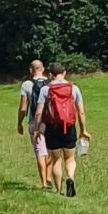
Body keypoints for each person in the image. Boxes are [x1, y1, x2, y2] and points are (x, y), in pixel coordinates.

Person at [35, 63, 91, 197]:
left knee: (55, 160)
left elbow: (38, 113)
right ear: (64, 72)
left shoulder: (45, 90)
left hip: (52, 128)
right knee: (70, 158)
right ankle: (70, 178)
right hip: (69, 127)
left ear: (50, 74)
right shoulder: (74, 88)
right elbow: (81, 112)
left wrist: (37, 130)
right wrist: (84, 130)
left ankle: (59, 190)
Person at [17, 59, 52, 190]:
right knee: (50, 151)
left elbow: (23, 108)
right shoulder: (51, 83)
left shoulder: (26, 85)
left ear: (31, 70)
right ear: (43, 69)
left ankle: (43, 183)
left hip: (34, 122)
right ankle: (48, 178)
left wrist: (19, 123)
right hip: (50, 122)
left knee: (40, 152)